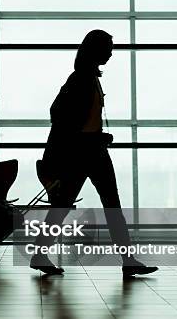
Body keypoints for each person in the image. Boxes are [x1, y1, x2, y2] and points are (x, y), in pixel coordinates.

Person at [30, 29, 158, 278]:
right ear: (96, 49)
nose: (111, 53)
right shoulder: (81, 79)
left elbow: (72, 117)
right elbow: (62, 115)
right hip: (86, 151)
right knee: (107, 205)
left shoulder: (87, 77)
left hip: (88, 149)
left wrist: (97, 136)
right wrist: (93, 137)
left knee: (66, 205)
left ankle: (40, 253)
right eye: (108, 48)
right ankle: (127, 259)